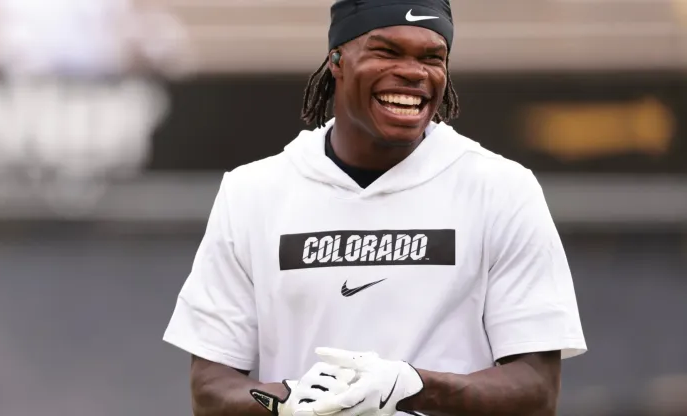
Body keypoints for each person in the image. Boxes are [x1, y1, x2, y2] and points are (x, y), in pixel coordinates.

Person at [163, 0, 588, 415]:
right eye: (386, 51)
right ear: (337, 60)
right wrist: (289, 400)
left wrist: (415, 387)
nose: (412, 72)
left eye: (432, 57)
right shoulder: (252, 192)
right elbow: (210, 389)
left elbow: (536, 391)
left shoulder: (502, 189)